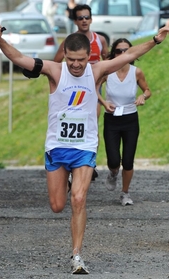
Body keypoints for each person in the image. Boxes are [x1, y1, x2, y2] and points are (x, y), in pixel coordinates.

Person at [0, 24, 169, 274]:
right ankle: (66, 182)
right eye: (71, 59)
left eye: (81, 60)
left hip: (85, 146)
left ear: (90, 57)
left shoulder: (97, 71)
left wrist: (156, 39)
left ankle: (77, 255)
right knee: (57, 205)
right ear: (64, 55)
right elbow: (18, 57)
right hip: (57, 146)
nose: (76, 65)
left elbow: (130, 55)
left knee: (79, 198)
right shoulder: (54, 70)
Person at [54, 4, 109, 181]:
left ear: (91, 19)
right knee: (73, 121)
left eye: (87, 17)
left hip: (94, 87)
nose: (84, 21)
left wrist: (103, 76)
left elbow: (107, 60)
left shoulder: (100, 40)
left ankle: (89, 162)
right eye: (80, 18)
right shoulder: (69, 41)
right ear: (75, 21)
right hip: (72, 87)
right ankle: (71, 165)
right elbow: (55, 64)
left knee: (92, 125)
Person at [101, 38, 151, 206]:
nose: (123, 54)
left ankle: (125, 193)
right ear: (113, 53)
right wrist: (103, 102)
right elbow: (92, 88)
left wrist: (142, 96)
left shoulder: (136, 72)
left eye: (127, 51)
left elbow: (147, 90)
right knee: (114, 160)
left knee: (128, 160)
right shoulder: (107, 71)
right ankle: (113, 173)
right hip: (112, 119)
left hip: (130, 118)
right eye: (119, 51)